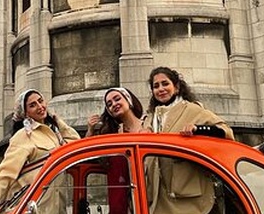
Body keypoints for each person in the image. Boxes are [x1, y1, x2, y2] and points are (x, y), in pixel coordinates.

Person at [143, 67, 234, 214]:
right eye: (156, 86)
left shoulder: (192, 110)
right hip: (157, 196)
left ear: (177, 87)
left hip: (188, 198)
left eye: (165, 84)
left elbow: (226, 132)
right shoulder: (150, 118)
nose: (161, 89)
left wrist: (197, 129)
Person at [0, 89, 80, 213]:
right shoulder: (24, 136)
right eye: (32, 105)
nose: (40, 106)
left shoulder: (56, 134)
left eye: (41, 101)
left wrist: (56, 120)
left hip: (56, 207)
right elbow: (7, 172)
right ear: (26, 113)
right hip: (31, 208)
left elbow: (75, 143)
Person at [86, 87, 148, 214]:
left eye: (117, 99)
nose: (114, 104)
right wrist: (90, 131)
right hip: (123, 201)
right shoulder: (111, 134)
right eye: (109, 104)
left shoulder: (149, 124)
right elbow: (90, 155)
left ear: (129, 100)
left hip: (149, 193)